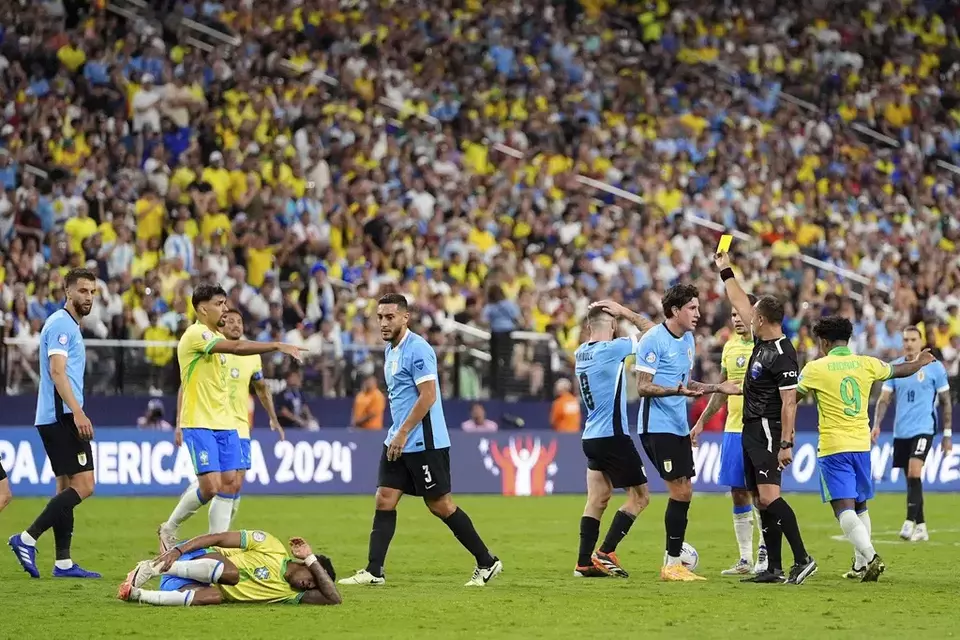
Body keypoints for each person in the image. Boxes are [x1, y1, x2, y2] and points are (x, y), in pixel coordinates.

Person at [338, 293, 502, 587]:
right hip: (398, 439)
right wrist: (396, 434)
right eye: (380, 317)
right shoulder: (391, 350)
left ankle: (487, 562)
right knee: (385, 498)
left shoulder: (419, 350)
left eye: (390, 317)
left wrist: (402, 432)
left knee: (441, 505)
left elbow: (428, 396)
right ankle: (374, 571)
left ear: (405, 317)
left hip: (423, 441)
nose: (384, 323)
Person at [157, 284, 305, 551]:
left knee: (229, 484)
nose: (224, 309)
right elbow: (236, 349)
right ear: (203, 309)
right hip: (200, 422)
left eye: (225, 303)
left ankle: (218, 544)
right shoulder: (196, 334)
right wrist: (275, 345)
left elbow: (255, 384)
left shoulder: (216, 338)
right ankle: (169, 528)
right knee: (211, 486)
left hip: (228, 425)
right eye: (219, 304)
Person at [798, 316, 937, 582]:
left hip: (833, 447)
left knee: (843, 508)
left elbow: (791, 398)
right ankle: (861, 564)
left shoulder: (815, 368)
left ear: (825, 342)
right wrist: (919, 362)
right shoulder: (866, 363)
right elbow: (899, 370)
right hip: (861, 446)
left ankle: (871, 557)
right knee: (861, 505)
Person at [714, 252, 816, 585]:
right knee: (759, 499)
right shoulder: (761, 339)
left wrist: (787, 443)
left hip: (769, 431)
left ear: (763, 320)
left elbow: (790, 403)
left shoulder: (785, 353)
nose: (747, 315)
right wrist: (725, 269)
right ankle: (773, 567)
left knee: (770, 497)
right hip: (750, 429)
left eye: (753, 314)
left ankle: (802, 558)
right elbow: (739, 298)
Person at [634, 284, 741, 582]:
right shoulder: (653, 340)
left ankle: (673, 562)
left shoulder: (688, 340)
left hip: (677, 425)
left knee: (685, 492)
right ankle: (670, 564)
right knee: (680, 491)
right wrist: (676, 391)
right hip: (656, 426)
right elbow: (643, 386)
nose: (698, 313)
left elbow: (688, 383)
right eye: (692, 308)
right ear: (674, 311)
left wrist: (718, 388)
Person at [8, 268, 101, 579]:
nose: (88, 297)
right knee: (85, 486)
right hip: (62, 416)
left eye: (92, 292)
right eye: (83, 291)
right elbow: (57, 371)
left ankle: (63, 563)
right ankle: (26, 538)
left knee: (64, 487)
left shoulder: (68, 325)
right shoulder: (62, 324)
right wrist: (78, 412)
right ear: (67, 291)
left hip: (53, 416)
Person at [573, 301, 653, 578]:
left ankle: (583, 563)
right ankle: (606, 551)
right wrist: (626, 311)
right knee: (641, 497)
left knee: (597, 498)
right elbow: (655, 334)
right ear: (615, 325)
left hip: (591, 436)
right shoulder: (613, 349)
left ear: (587, 327)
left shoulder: (581, 352)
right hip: (613, 436)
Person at [692, 296, 767, 576]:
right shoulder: (730, 347)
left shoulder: (767, 347)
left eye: (740, 313)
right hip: (733, 430)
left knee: (761, 494)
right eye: (733, 314)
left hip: (759, 429)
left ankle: (765, 552)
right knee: (738, 493)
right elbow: (722, 392)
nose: (735, 318)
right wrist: (701, 423)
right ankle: (745, 559)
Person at [872, 326, 952, 543]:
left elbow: (945, 402)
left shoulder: (935, 368)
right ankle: (922, 527)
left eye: (912, 339)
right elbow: (884, 399)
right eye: (905, 339)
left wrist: (947, 434)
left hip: (924, 428)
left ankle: (908, 522)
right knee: (911, 479)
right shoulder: (895, 367)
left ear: (920, 341)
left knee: (915, 472)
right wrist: (877, 424)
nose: (908, 343)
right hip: (901, 431)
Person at [117, 530, 341, 606]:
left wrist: (312, 559)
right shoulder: (271, 545)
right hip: (193, 560)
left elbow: (334, 598)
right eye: (311, 578)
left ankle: (137, 594)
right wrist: (178, 551)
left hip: (184, 587)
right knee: (231, 575)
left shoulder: (291, 595)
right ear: (302, 565)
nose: (308, 585)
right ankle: (155, 566)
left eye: (313, 585)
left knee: (215, 596)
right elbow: (219, 537)